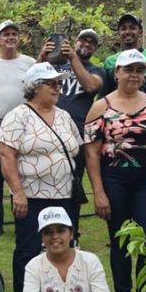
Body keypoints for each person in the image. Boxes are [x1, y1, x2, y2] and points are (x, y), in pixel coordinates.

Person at [83, 50, 146, 292]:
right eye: (129, 69)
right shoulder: (101, 106)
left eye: (139, 70)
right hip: (115, 177)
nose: (134, 75)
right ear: (116, 73)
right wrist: (98, 192)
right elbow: (91, 152)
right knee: (119, 239)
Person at [0, 62, 82, 292]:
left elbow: (75, 148)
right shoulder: (18, 115)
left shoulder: (64, 115)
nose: (58, 88)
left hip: (65, 195)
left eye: (59, 83)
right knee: (28, 250)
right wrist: (18, 192)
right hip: (32, 196)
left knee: (65, 248)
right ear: (35, 87)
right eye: (51, 83)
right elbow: (6, 155)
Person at [0, 20, 37, 238]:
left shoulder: (29, 62)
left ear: (19, 38)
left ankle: (22, 215)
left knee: (21, 172)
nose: (10, 38)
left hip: (23, 126)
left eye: (14, 34)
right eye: (6, 34)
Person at [42, 28, 106, 212]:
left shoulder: (96, 70)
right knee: (47, 179)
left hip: (77, 136)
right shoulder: (53, 67)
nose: (86, 44)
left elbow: (91, 86)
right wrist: (43, 55)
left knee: (72, 184)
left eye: (91, 42)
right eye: (82, 40)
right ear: (74, 42)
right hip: (48, 132)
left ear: (96, 48)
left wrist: (73, 58)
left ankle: (72, 231)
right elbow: (31, 82)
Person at [100, 14, 146, 97]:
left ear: (140, 32)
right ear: (119, 33)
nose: (128, 32)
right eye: (123, 28)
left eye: (132, 28)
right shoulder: (110, 62)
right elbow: (102, 95)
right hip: (116, 108)